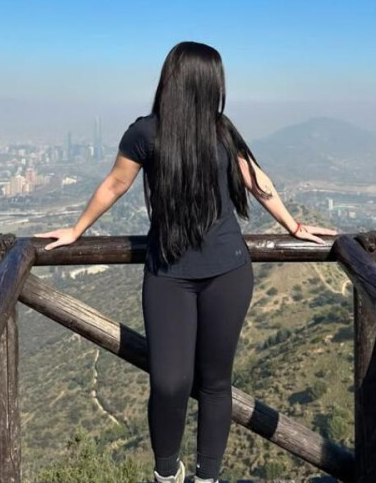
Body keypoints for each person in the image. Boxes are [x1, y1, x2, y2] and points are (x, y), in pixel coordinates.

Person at [34, 41, 338, 483]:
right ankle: (166, 474)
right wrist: (77, 230)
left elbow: (256, 180)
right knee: (169, 382)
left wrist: (293, 225)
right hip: (168, 275)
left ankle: (208, 476)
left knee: (216, 382)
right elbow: (115, 184)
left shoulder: (221, 129)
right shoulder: (145, 133)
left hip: (228, 272)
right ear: (202, 82)